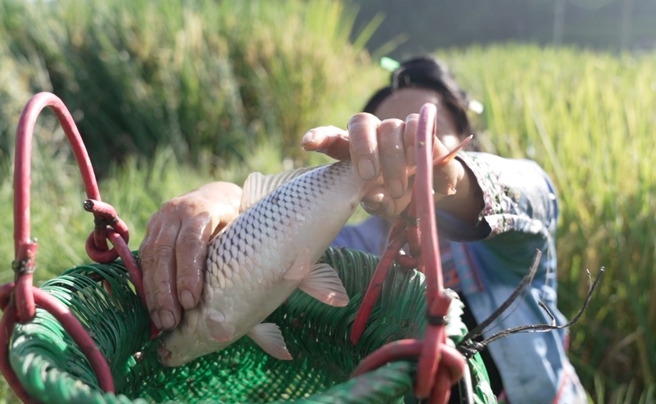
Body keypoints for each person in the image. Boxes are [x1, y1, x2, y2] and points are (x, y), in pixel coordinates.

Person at [138, 56, 586, 403]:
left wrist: (453, 178)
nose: (403, 147)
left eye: (422, 131)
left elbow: (537, 192)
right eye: (388, 137)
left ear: (468, 144)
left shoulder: (509, 246)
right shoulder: (349, 246)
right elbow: (270, 237)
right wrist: (222, 196)